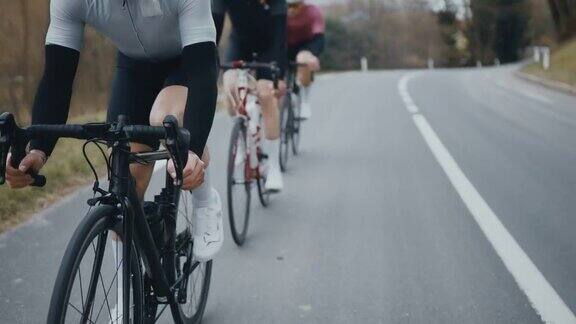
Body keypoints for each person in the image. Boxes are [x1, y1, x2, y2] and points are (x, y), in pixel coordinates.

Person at [3, 0, 224, 262]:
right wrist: (38, 150)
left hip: (187, 62)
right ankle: (126, 290)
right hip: (134, 68)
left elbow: (202, 75)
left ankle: (204, 199)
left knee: (164, 117)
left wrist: (193, 151)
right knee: (125, 184)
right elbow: (57, 78)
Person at [212, 0, 288, 192]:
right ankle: (241, 137)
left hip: (269, 48)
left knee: (266, 95)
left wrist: (278, 75)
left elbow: (281, 37)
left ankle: (273, 167)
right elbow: (214, 30)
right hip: (240, 44)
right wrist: (208, 64)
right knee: (230, 85)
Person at [286, 0, 325, 120]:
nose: (290, 9)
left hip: (307, 44)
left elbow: (319, 37)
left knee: (303, 60)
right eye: (288, 6)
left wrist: (313, 56)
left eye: (294, 6)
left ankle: (305, 102)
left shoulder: (313, 12)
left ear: (303, 5)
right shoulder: (281, 12)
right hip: (286, 44)